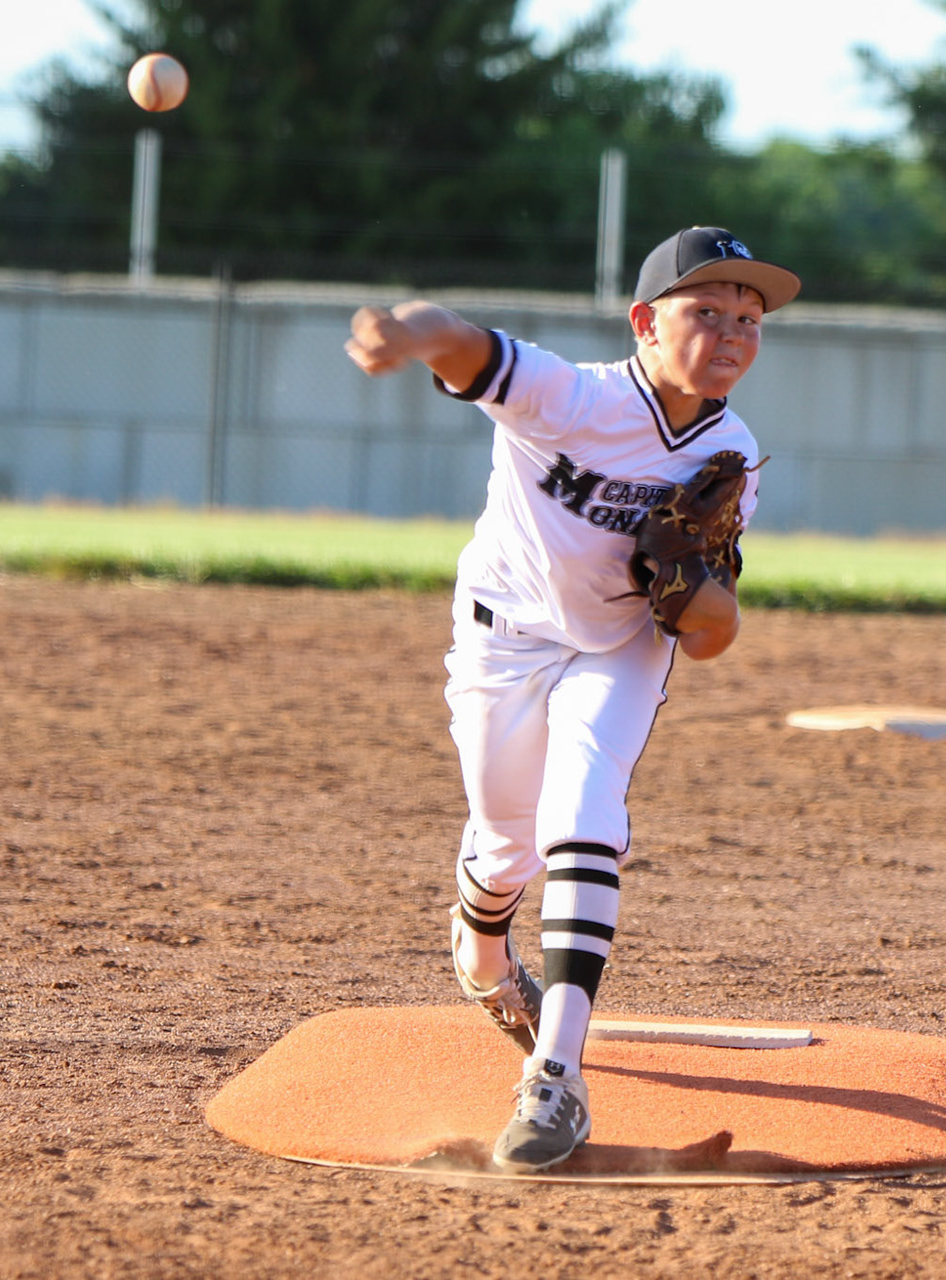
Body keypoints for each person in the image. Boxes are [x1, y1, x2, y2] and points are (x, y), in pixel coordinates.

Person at [342, 227, 798, 1173]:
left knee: (583, 821)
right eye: (705, 310)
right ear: (644, 322)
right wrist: (405, 331)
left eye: (749, 318)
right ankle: (480, 948)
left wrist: (710, 612)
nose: (732, 332)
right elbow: (463, 339)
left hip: (621, 646)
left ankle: (556, 1075)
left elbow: (710, 630)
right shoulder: (573, 397)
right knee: (505, 842)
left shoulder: (732, 448)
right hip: (503, 637)